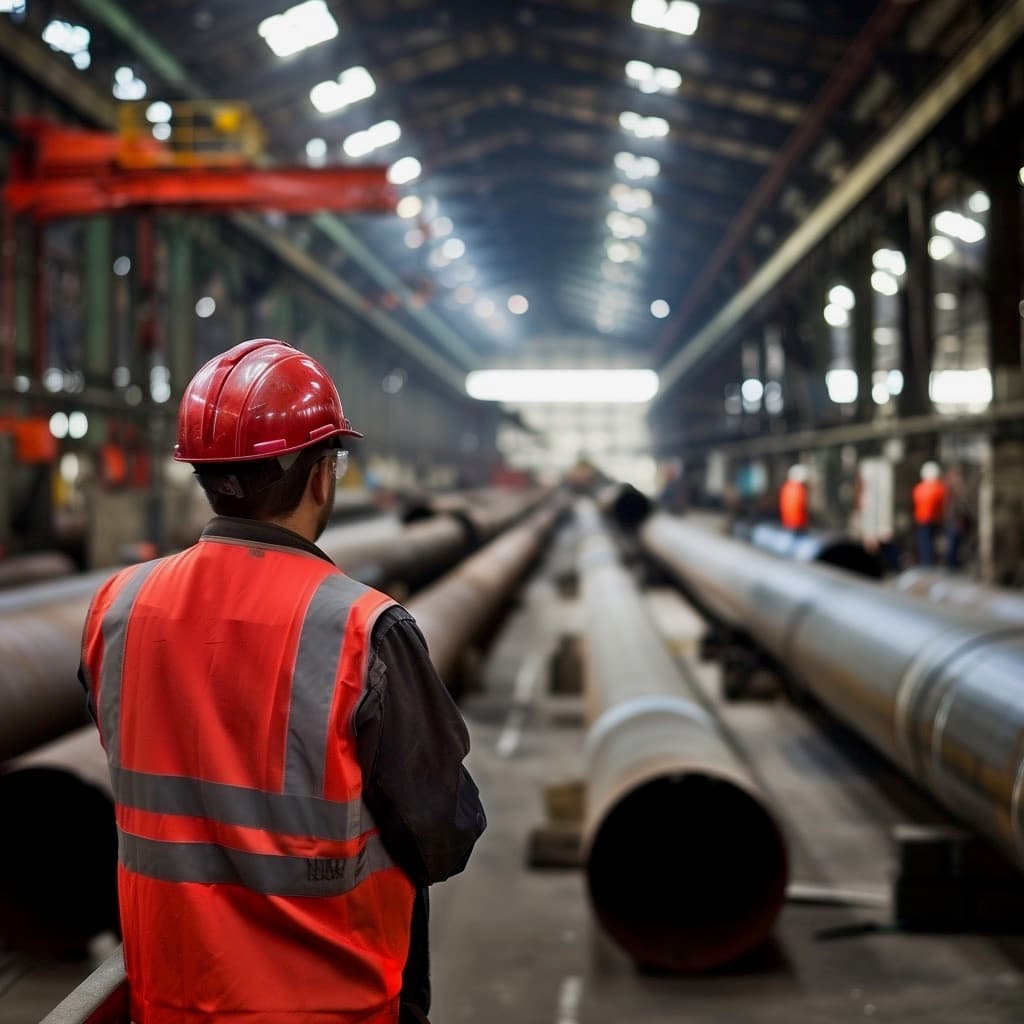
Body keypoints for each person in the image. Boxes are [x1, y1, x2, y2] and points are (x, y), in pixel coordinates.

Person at [79, 339, 485, 1024]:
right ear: (321, 476)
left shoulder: (117, 607)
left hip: (169, 1001)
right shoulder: (364, 630)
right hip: (330, 1004)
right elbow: (443, 833)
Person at [913, 460, 947, 567]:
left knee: (926, 542)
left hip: (923, 520)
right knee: (931, 542)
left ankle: (927, 562)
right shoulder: (940, 488)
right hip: (934, 519)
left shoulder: (919, 488)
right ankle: (930, 562)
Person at [779, 464, 810, 532]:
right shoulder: (798, 489)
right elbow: (801, 507)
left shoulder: (786, 487)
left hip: (788, 523)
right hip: (798, 524)